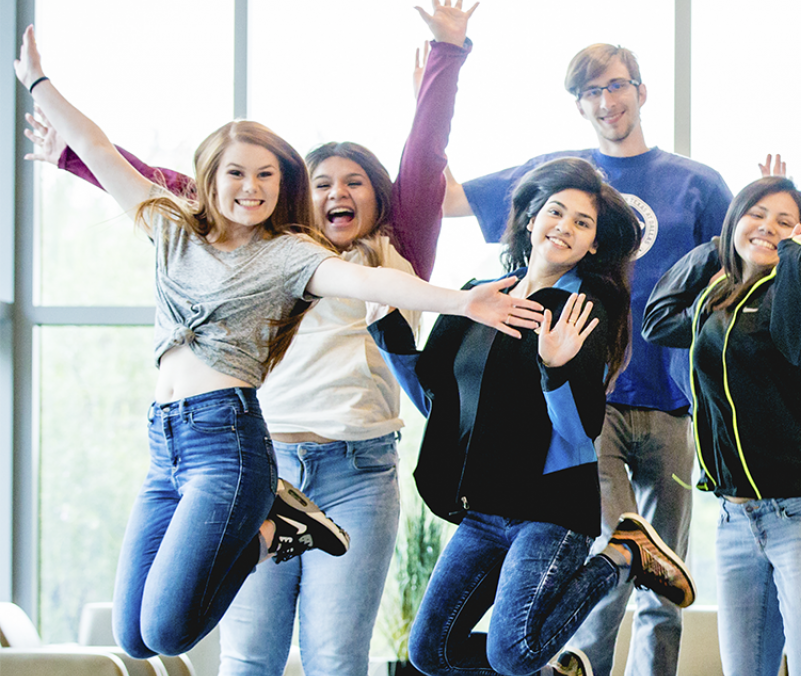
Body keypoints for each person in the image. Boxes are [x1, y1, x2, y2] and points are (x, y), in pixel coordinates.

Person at [13, 24, 541, 659]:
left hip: (340, 464)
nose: (337, 193)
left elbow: (422, 165)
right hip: (229, 449)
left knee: (329, 656)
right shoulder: (226, 240)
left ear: (379, 200)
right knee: (211, 649)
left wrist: (447, 57)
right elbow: (154, 176)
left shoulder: (358, 256)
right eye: (321, 182)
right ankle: (276, 525)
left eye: (354, 183)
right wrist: (55, 121)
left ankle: (273, 529)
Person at [442, 42, 731, 676]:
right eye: (592, 92)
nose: (607, 101)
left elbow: (734, 274)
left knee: (664, 577)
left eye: (617, 85)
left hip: (675, 406)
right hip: (587, 406)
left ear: (641, 91)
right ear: (579, 104)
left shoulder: (697, 183)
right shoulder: (560, 174)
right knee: (605, 557)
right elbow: (448, 198)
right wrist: (441, 78)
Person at [372, 157, 695, 676]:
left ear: (592, 244)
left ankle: (623, 555)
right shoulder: (482, 294)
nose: (564, 227)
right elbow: (440, 406)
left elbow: (578, 433)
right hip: (483, 509)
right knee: (429, 652)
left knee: (514, 652)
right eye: (556, 211)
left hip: (549, 509)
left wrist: (554, 369)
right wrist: (391, 337)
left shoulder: (582, 309)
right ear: (530, 219)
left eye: (582, 222)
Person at [642, 179, 801, 676]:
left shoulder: (800, 294)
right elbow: (657, 319)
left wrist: (796, 261)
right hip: (736, 519)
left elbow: (799, 346)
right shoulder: (713, 304)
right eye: (756, 214)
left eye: (786, 223)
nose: (769, 228)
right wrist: (717, 246)